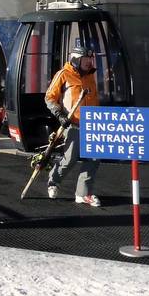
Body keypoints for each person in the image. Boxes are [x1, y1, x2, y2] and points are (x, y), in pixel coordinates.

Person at [45, 45, 101, 207]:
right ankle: (53, 182)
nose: (89, 62)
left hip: (92, 124)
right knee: (70, 159)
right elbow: (49, 97)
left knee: (94, 158)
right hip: (73, 123)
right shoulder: (64, 74)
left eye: (90, 59)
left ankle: (83, 194)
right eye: (85, 59)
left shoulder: (90, 76)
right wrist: (59, 115)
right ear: (76, 59)